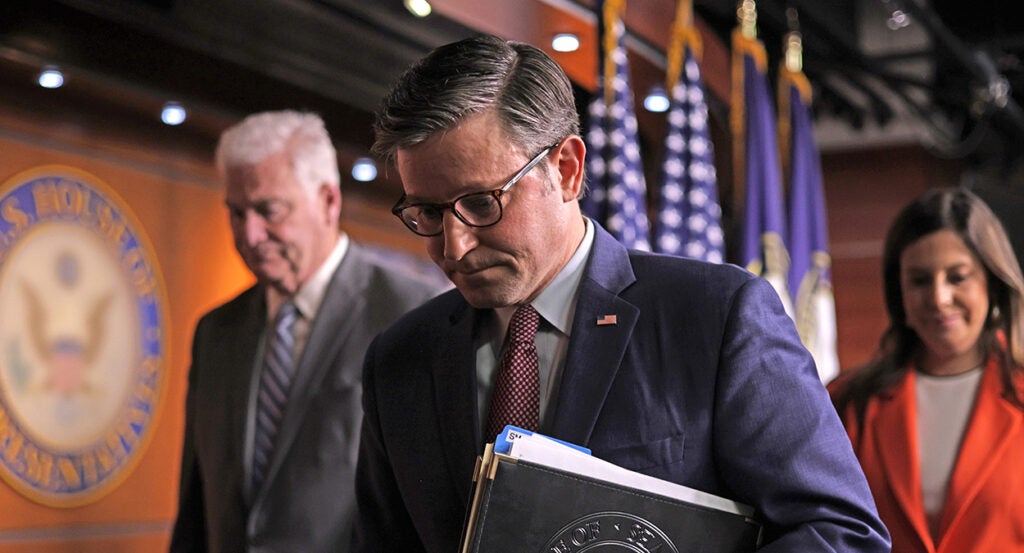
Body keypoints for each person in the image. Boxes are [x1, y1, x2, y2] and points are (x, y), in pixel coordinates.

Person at [352, 34, 889, 553]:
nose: (455, 245)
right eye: (426, 212)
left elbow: (840, 532)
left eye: (480, 203)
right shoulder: (399, 359)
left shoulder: (714, 317)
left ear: (566, 168)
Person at [169, 110, 446, 553]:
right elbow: (196, 505)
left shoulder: (412, 314)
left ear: (328, 202)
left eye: (268, 211)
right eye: (236, 213)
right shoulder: (216, 331)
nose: (250, 235)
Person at [829, 187, 1024, 553]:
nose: (938, 297)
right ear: (898, 292)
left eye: (957, 277)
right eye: (919, 280)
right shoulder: (846, 401)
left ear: (992, 285)